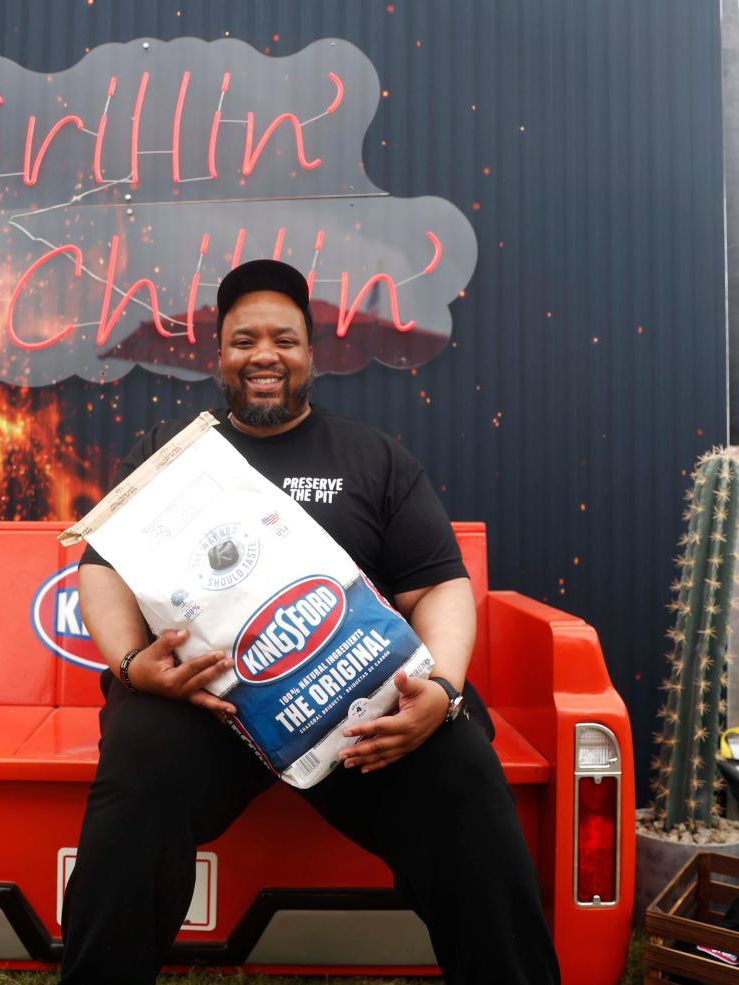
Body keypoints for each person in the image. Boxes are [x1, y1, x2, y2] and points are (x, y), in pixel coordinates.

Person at [58, 259, 560, 985]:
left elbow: (441, 585)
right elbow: (100, 565)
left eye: (284, 339)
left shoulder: (374, 457)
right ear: (221, 355)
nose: (264, 354)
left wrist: (444, 689)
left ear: (311, 355)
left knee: (460, 768)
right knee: (138, 759)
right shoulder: (171, 460)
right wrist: (135, 666)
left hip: (358, 712)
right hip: (211, 707)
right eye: (244, 340)